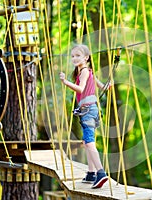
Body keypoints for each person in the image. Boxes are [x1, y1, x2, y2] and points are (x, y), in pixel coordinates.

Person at [59, 44, 109, 189]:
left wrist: (65, 82)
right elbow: (103, 87)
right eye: (73, 56)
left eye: (78, 56)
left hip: (88, 110)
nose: (74, 58)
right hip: (90, 110)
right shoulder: (89, 72)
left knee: (89, 142)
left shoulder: (84, 72)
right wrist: (108, 85)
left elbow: (80, 89)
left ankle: (100, 172)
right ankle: (91, 173)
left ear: (86, 57)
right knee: (87, 141)